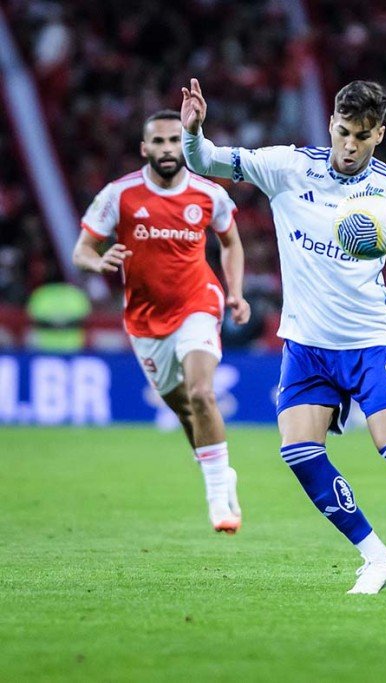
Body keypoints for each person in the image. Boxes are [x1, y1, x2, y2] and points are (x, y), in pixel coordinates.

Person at [180, 78, 386, 594]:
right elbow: (205, 161)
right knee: (298, 452)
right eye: (342, 132)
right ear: (331, 124)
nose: (349, 146)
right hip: (306, 344)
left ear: (379, 134)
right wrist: (193, 132)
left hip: (368, 339)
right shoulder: (288, 167)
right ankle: (378, 557)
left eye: (361, 135)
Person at [73, 110, 249, 534]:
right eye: (159, 141)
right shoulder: (119, 195)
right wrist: (98, 262)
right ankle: (221, 474)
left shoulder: (208, 194)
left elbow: (230, 242)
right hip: (145, 320)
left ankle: (217, 499)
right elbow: (82, 250)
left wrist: (235, 291)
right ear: (144, 148)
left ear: (183, 146)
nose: (168, 149)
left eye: (174, 140)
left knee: (202, 393)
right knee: (185, 409)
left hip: (198, 303)